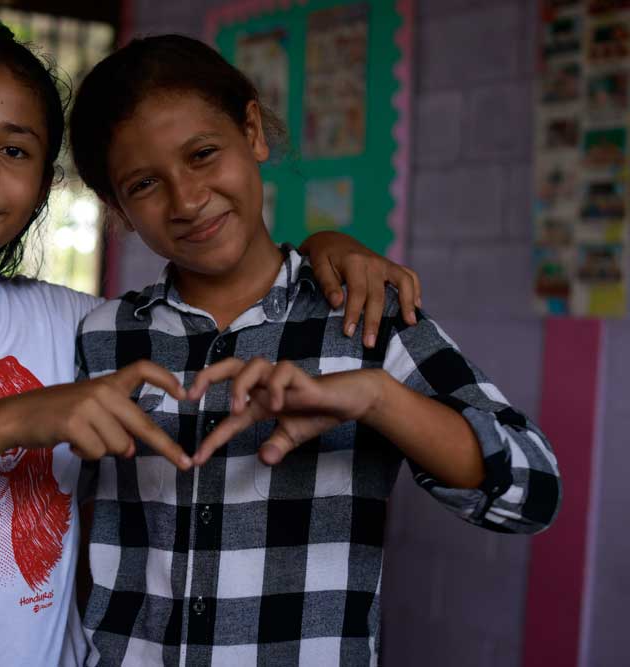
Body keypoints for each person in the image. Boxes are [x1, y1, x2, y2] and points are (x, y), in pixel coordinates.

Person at [0, 16, 421, 666]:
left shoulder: (83, 326)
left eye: (14, 150)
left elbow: (213, 299)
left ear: (43, 187)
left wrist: (327, 249)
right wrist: (11, 419)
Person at [66, 35, 562, 665]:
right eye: (144, 184)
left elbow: (532, 494)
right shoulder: (101, 336)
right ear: (117, 208)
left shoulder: (364, 316)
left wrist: (379, 399)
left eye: (203, 154)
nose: (187, 200)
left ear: (252, 131)